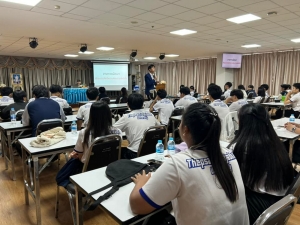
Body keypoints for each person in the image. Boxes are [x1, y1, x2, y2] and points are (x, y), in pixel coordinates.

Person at [129, 103, 249, 225]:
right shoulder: (228, 154)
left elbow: (137, 206)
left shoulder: (177, 164)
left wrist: (140, 182)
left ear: (185, 129)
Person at [228, 104, 294, 224]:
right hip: (281, 199)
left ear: (243, 122)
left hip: (261, 203)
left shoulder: (241, 146)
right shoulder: (275, 141)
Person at [56, 101, 122, 188]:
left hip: (87, 169)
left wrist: (73, 155)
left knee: (69, 162)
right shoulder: (117, 132)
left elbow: (79, 155)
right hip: (109, 168)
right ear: (108, 114)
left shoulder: (85, 132)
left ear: (92, 115)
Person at [114, 93, 159, 159]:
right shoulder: (151, 115)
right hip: (152, 151)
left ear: (128, 104)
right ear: (143, 104)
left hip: (135, 153)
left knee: (116, 151)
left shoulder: (126, 117)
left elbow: (111, 131)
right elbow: (161, 127)